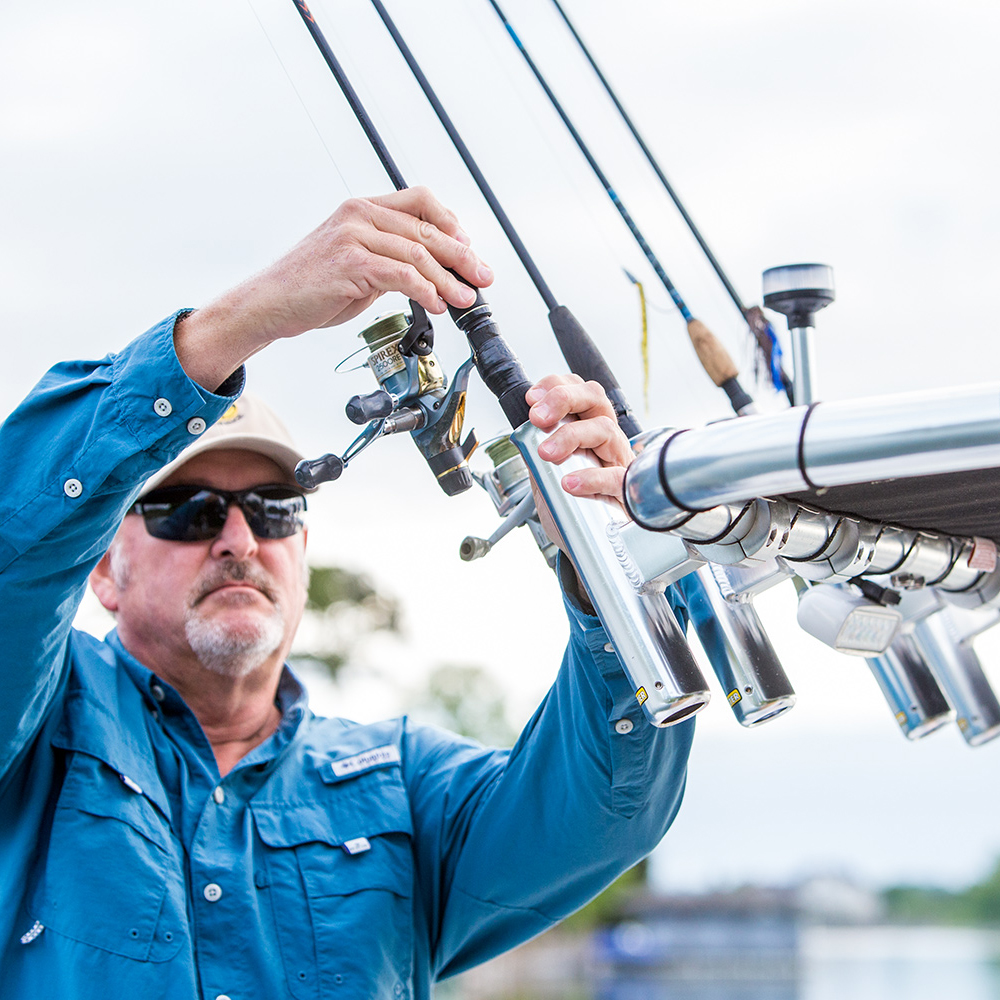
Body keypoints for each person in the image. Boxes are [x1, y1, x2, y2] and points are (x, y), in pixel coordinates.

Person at [0, 188, 694, 999]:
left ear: (302, 544)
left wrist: (610, 556)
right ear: (102, 569)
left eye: (274, 506)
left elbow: (605, 812)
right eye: (188, 512)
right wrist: (245, 318)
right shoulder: (35, 730)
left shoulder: (403, 783)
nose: (238, 539)